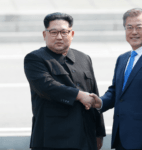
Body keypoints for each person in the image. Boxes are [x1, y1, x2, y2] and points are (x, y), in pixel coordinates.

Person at [89, 8, 142, 150]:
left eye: (139, 27)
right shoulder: (122, 59)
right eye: (129, 28)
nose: (134, 32)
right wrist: (101, 102)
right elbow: (116, 92)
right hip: (121, 136)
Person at [24, 12, 105, 150]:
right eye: (54, 32)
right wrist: (80, 95)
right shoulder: (35, 59)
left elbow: (94, 95)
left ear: (72, 34)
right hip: (53, 139)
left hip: (85, 137)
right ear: (45, 35)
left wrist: (99, 132)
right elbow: (47, 87)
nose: (59, 37)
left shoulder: (84, 58)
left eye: (64, 32)